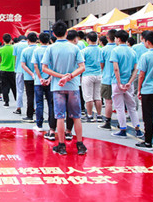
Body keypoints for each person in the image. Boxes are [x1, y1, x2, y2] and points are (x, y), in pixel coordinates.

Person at [41, 21, 87, 155]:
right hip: (73, 86)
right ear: (66, 33)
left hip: (57, 87)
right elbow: (82, 67)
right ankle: (80, 144)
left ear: (53, 34)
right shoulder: (74, 48)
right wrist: (69, 76)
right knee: (76, 116)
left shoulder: (50, 48)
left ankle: (61, 145)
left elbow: (45, 68)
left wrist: (60, 76)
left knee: (59, 116)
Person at [110, 30, 143, 138]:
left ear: (118, 39)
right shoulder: (132, 51)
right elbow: (135, 69)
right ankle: (137, 129)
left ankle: (123, 129)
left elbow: (116, 68)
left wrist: (119, 83)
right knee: (131, 106)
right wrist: (129, 82)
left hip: (117, 83)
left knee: (119, 107)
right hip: (129, 83)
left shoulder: (115, 51)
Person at [32, 33, 54, 134]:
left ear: (39, 41)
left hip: (38, 81)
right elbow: (54, 66)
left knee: (39, 103)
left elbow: (36, 66)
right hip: (51, 80)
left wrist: (40, 78)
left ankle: (39, 124)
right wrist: (49, 77)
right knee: (51, 104)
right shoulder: (52, 49)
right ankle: (51, 126)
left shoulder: (36, 50)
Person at [81, 32, 103, 122]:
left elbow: (81, 64)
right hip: (99, 74)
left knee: (88, 97)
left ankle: (89, 115)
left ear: (88, 40)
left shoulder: (84, 51)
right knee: (97, 96)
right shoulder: (101, 50)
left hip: (87, 74)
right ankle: (99, 115)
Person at [98, 29, 117, 130]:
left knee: (108, 102)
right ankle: (121, 122)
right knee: (119, 102)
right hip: (121, 80)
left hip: (107, 78)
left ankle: (108, 122)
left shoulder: (104, 50)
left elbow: (102, 65)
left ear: (108, 38)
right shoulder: (120, 49)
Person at [19, 33, 37, 121]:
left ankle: (29, 116)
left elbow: (23, 65)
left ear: (28, 40)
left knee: (30, 97)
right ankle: (40, 116)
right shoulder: (40, 49)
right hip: (41, 78)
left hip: (28, 77)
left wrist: (31, 74)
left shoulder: (25, 51)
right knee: (39, 97)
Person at [13, 34, 31, 115]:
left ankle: (19, 107)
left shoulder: (16, 45)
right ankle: (32, 107)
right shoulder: (30, 45)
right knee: (30, 91)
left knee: (19, 90)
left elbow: (15, 58)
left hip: (19, 69)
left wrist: (15, 67)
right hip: (29, 70)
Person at [0, 34, 16, 108]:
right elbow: (15, 58)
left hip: (3, 70)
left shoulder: (1, 49)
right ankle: (17, 100)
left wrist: (2, 64)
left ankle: (6, 102)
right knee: (14, 86)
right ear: (11, 39)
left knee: (4, 86)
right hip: (12, 69)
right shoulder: (14, 48)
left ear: (3, 40)